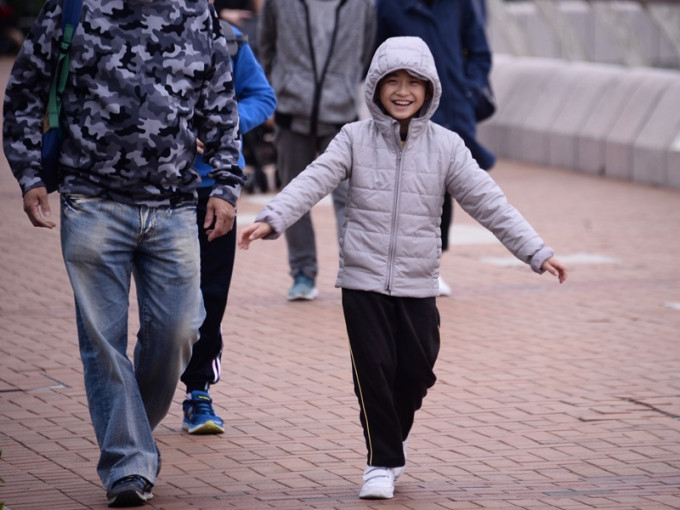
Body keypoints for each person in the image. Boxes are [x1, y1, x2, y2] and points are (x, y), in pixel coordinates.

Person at [238, 36, 568, 500]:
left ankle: (392, 439)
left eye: (413, 82)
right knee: (373, 369)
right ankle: (381, 461)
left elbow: (490, 204)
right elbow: (312, 180)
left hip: (418, 281)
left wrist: (536, 251)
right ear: (375, 87)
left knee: (417, 370)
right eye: (392, 80)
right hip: (362, 279)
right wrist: (271, 219)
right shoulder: (353, 138)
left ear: (429, 89)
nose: (402, 91)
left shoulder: (447, 147)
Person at [3, 0, 243, 506]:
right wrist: (29, 174)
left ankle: (130, 437)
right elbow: (24, 91)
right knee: (102, 343)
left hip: (175, 205)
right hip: (92, 202)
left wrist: (225, 183)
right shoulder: (73, 6)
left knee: (181, 329)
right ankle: (128, 464)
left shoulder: (197, 10)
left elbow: (220, 100)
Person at [181, 17, 276, 435]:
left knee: (210, 295)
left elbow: (262, 97)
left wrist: (223, 120)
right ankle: (143, 392)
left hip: (216, 188)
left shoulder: (231, 41)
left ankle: (198, 390)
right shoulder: (132, 23)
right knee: (164, 302)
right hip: (154, 190)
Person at [376, 0, 496, 297]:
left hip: (454, 108)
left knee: (443, 190)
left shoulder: (459, 5)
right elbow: (375, 57)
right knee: (406, 189)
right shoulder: (390, 6)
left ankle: (432, 265)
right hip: (406, 113)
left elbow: (480, 52)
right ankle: (400, 266)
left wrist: (468, 90)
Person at [257, 0, 376, 301]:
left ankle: (356, 273)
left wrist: (345, 83)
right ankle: (303, 273)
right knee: (294, 195)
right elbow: (266, 45)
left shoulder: (363, 4)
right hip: (290, 109)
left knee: (350, 196)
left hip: (341, 114)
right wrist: (280, 86)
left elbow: (365, 52)